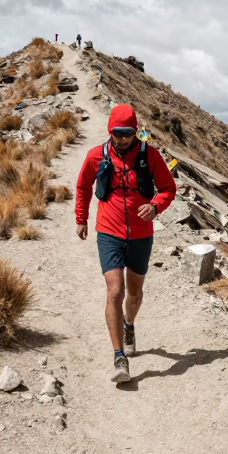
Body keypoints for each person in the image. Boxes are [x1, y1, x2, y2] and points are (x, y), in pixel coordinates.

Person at [75, 104, 177, 383]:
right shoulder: (96, 156)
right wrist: (81, 218)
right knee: (114, 291)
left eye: (128, 133)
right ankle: (119, 357)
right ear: (110, 131)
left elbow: (169, 189)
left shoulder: (150, 156)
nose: (122, 139)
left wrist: (155, 207)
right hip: (109, 232)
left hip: (141, 234)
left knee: (134, 292)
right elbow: (83, 187)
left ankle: (129, 324)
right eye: (117, 134)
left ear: (136, 131)